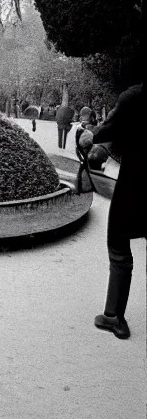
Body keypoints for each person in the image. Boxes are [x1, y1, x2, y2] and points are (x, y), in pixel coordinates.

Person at [77, 83, 145, 339]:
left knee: (118, 247)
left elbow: (111, 128)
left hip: (136, 183)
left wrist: (90, 135)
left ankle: (114, 317)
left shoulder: (134, 96)